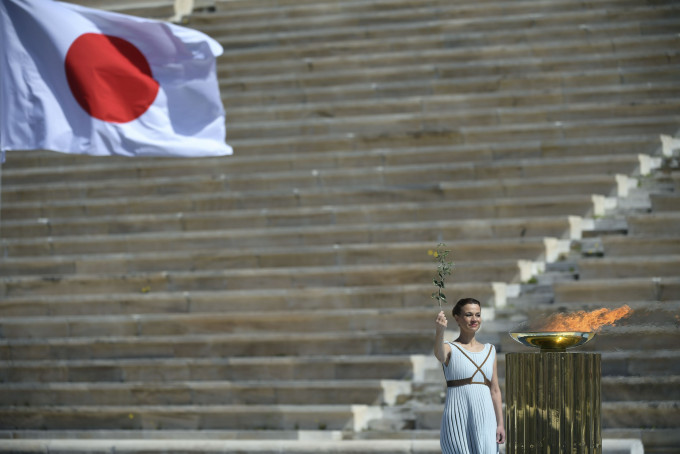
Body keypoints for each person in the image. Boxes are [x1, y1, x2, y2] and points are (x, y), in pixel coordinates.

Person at [434, 297, 505, 453]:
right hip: (458, 416)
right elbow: (439, 355)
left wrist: (500, 423)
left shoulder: (490, 350)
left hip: (486, 417)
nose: (474, 319)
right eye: (469, 315)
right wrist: (440, 331)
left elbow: (495, 390)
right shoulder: (449, 348)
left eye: (478, 315)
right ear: (457, 318)